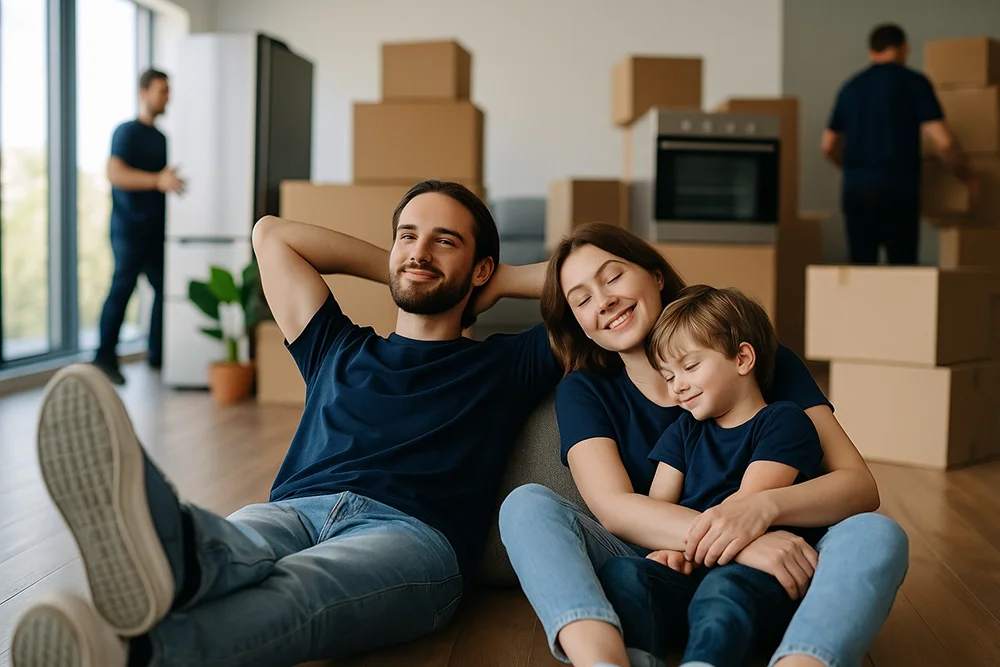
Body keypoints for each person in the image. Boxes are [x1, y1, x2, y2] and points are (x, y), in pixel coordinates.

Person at [10, 180, 560, 667]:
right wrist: (404, 268)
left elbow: (628, 285)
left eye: (445, 240)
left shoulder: (507, 363)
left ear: (481, 266)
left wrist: (500, 279)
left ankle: (134, 639)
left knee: (301, 590)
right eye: (407, 235)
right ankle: (162, 541)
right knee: (227, 543)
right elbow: (272, 235)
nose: (419, 251)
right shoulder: (338, 347)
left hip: (411, 536)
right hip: (294, 511)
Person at [499, 222, 909, 667]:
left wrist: (762, 511)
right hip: (654, 560)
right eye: (581, 300)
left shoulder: (758, 358)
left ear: (656, 275)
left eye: (613, 276)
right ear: (581, 325)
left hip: (777, 557)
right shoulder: (584, 389)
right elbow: (615, 508)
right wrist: (742, 541)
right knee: (525, 506)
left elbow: (859, 486)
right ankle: (604, 661)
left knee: (877, 533)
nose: (604, 300)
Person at [598, 284, 830, 667]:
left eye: (689, 367)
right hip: (693, 570)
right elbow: (657, 509)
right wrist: (668, 551)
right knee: (624, 573)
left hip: (754, 575)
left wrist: (686, 547)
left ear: (742, 358)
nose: (678, 387)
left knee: (724, 589)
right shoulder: (684, 431)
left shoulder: (783, 421)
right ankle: (640, 659)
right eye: (669, 376)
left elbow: (742, 513)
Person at [822, 23, 973, 265]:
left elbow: (828, 145)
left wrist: (848, 169)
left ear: (871, 52)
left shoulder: (851, 88)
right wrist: (964, 174)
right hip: (899, 191)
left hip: (857, 191)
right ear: (904, 48)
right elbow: (944, 142)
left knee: (862, 267)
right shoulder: (915, 83)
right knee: (902, 270)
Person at [93, 68, 186, 385]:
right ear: (144, 93)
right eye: (162, 90)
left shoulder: (162, 139)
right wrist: (157, 180)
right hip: (128, 230)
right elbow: (115, 173)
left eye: (168, 91)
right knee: (122, 289)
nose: (167, 97)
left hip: (155, 231)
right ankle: (103, 358)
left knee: (164, 291)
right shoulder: (126, 133)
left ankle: (158, 356)